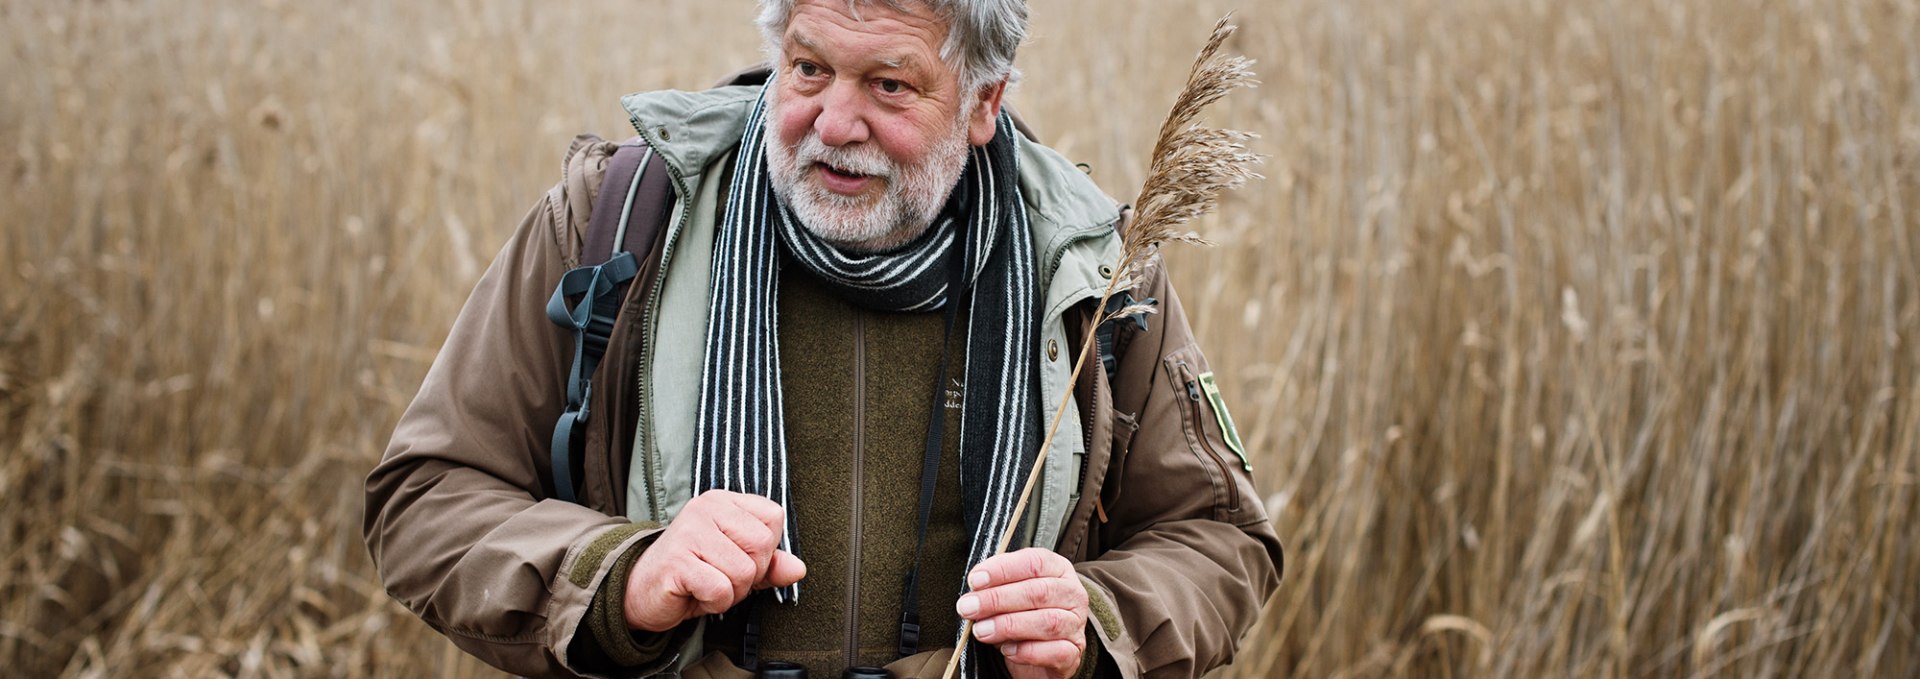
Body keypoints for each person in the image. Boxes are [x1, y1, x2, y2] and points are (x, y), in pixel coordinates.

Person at [362, 1, 1282, 677]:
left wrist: (1101, 622)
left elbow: (1221, 538)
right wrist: (619, 579)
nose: (833, 125)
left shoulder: (1093, 273)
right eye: (808, 69)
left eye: (888, 84)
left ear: (982, 102)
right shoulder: (619, 223)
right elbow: (427, 495)